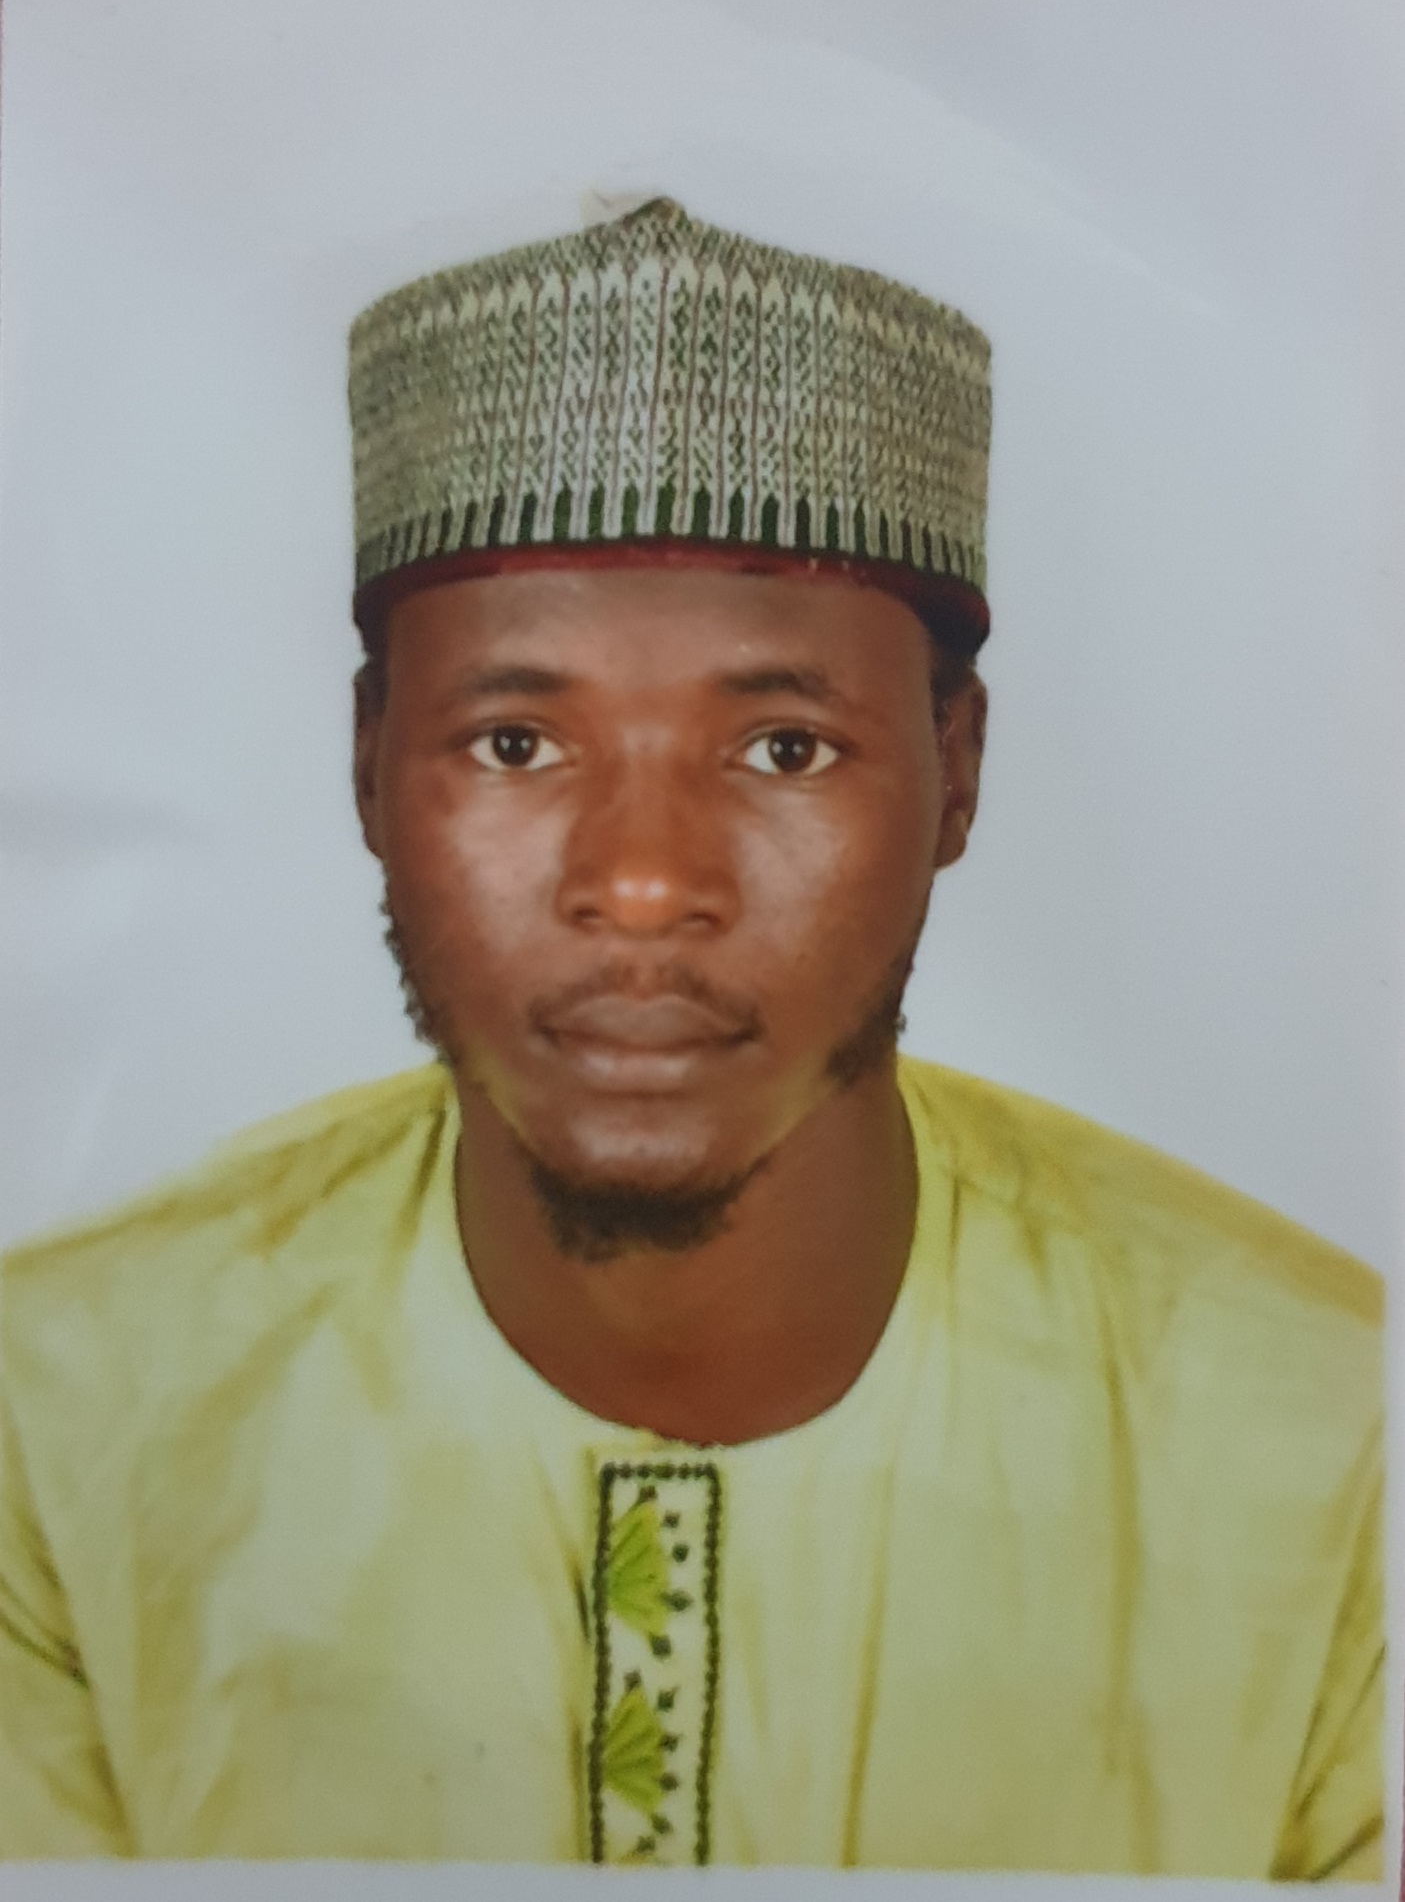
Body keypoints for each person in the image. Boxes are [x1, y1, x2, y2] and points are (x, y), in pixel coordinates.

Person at [0, 199, 1382, 1874]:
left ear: (955, 770)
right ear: (370, 766)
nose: (644, 881)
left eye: (782, 748)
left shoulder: (1334, 1441)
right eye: (516, 743)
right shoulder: (56, 1420)